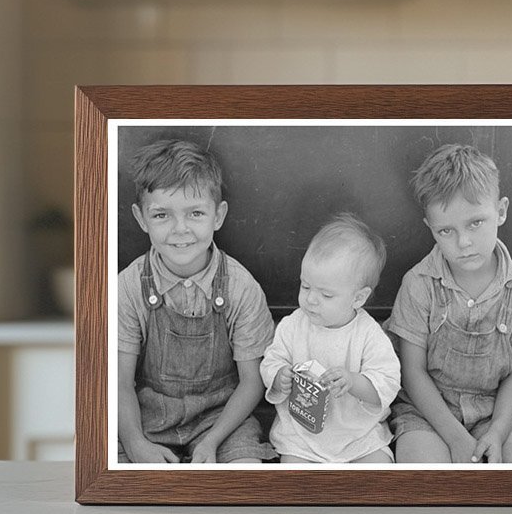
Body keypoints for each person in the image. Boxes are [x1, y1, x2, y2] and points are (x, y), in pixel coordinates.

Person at [117, 139, 276, 464]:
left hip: (223, 421)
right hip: (148, 420)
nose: (180, 229)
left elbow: (252, 382)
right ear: (141, 218)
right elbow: (119, 382)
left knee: (244, 476)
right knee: (117, 479)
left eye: (196, 213)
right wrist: (135, 444)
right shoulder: (129, 287)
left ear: (218, 215)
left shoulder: (241, 287)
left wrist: (212, 442)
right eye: (161, 215)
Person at [387, 144, 512, 464]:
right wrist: (456, 438)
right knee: (427, 480)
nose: (463, 242)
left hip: (494, 414)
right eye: (446, 230)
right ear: (430, 228)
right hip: (426, 415)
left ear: (500, 211)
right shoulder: (419, 285)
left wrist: (498, 432)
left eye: (475, 223)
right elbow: (412, 371)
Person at [261, 214, 401, 464]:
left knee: (380, 473)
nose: (311, 299)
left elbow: (388, 382)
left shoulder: (368, 334)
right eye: (305, 286)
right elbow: (272, 359)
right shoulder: (293, 325)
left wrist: (353, 381)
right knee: (292, 480)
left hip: (359, 437)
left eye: (326, 295)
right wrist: (279, 376)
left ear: (358, 298)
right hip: (301, 436)